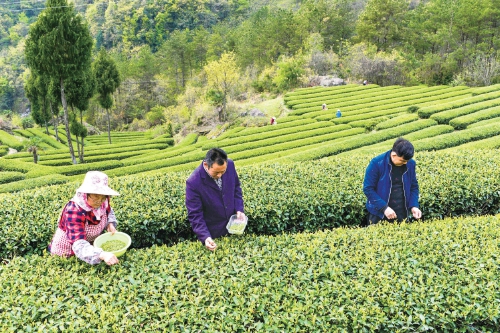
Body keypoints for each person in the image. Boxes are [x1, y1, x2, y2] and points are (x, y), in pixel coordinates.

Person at [48, 171, 121, 265]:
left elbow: (109, 211)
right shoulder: (74, 210)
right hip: (68, 253)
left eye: (103, 197)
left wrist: (110, 223)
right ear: (85, 193)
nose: (99, 201)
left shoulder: (104, 202)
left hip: (90, 248)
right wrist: (101, 254)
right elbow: (78, 244)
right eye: (95, 196)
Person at [185, 148, 245, 251]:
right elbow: (195, 214)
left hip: (234, 227)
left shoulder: (230, 165)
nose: (220, 175)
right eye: (216, 172)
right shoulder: (193, 182)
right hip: (215, 234)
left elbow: (236, 188)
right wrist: (205, 237)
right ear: (206, 165)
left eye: (223, 171)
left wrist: (239, 209)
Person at [363, 138, 422, 225]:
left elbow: (413, 186)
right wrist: (384, 208)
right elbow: (368, 189)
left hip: (402, 212)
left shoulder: (410, 163)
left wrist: (414, 206)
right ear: (394, 155)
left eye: (407, 161)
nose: (405, 163)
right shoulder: (377, 163)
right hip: (379, 214)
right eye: (402, 160)